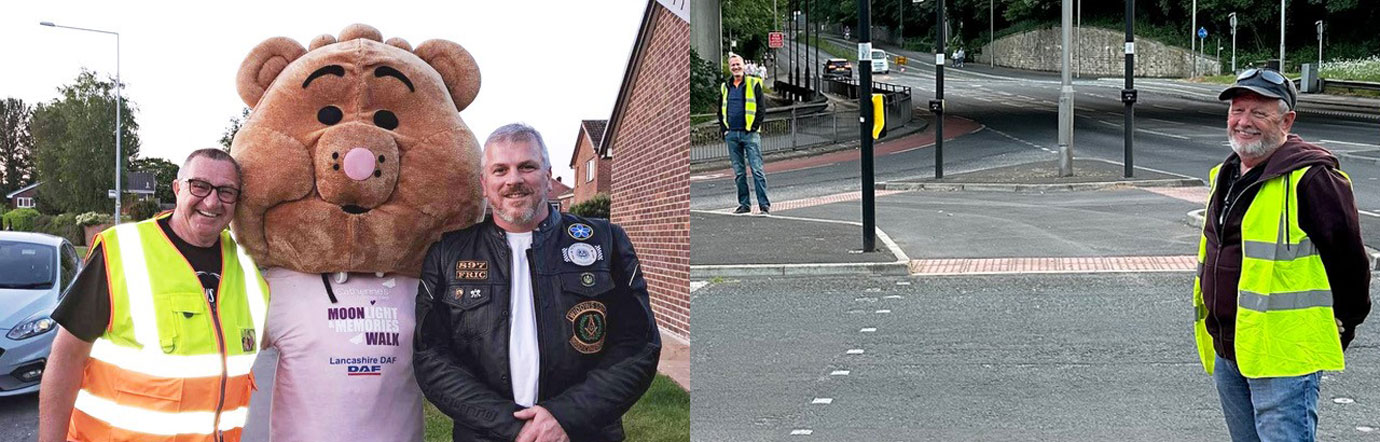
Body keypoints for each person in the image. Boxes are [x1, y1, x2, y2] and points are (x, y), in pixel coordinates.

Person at [414, 123, 660, 442]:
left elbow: (638, 344)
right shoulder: (448, 253)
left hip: (583, 434)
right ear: (484, 183)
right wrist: (513, 426)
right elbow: (431, 355)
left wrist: (565, 417)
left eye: (527, 167)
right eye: (500, 170)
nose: (513, 180)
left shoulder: (606, 242)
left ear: (547, 176)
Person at [38, 148, 269, 442]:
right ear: (177, 189)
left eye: (226, 192)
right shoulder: (123, 251)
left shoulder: (246, 267)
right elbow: (66, 357)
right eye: (199, 186)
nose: (212, 201)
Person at [1193, 68, 1371, 441]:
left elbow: (1350, 262)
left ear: (1287, 120)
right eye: (1237, 110)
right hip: (1230, 348)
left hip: (1285, 356)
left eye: (1259, 113)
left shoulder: (1312, 177)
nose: (1244, 122)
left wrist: (1346, 321)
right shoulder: (1225, 176)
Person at [718, 53, 771, 215]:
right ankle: (744, 204)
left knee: (757, 170)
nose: (735, 67)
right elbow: (720, 110)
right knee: (739, 173)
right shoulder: (725, 86)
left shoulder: (754, 83)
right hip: (732, 134)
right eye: (732, 65)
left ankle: (764, 205)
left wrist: (754, 127)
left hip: (750, 134)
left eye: (738, 64)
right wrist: (724, 129)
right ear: (729, 67)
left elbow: (761, 109)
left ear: (743, 66)